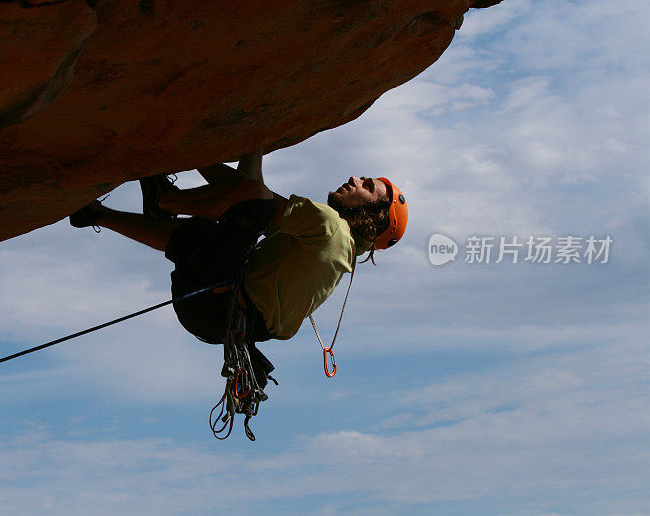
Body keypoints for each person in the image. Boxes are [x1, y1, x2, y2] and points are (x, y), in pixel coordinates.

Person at [68, 151, 407, 386]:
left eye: (366, 186)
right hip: (213, 318)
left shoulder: (329, 225)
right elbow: (248, 196)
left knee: (244, 213)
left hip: (220, 301)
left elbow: (252, 196)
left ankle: (164, 200)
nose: (354, 178)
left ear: (373, 216)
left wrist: (197, 155)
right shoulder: (338, 253)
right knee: (210, 236)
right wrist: (254, 144)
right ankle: (97, 215)